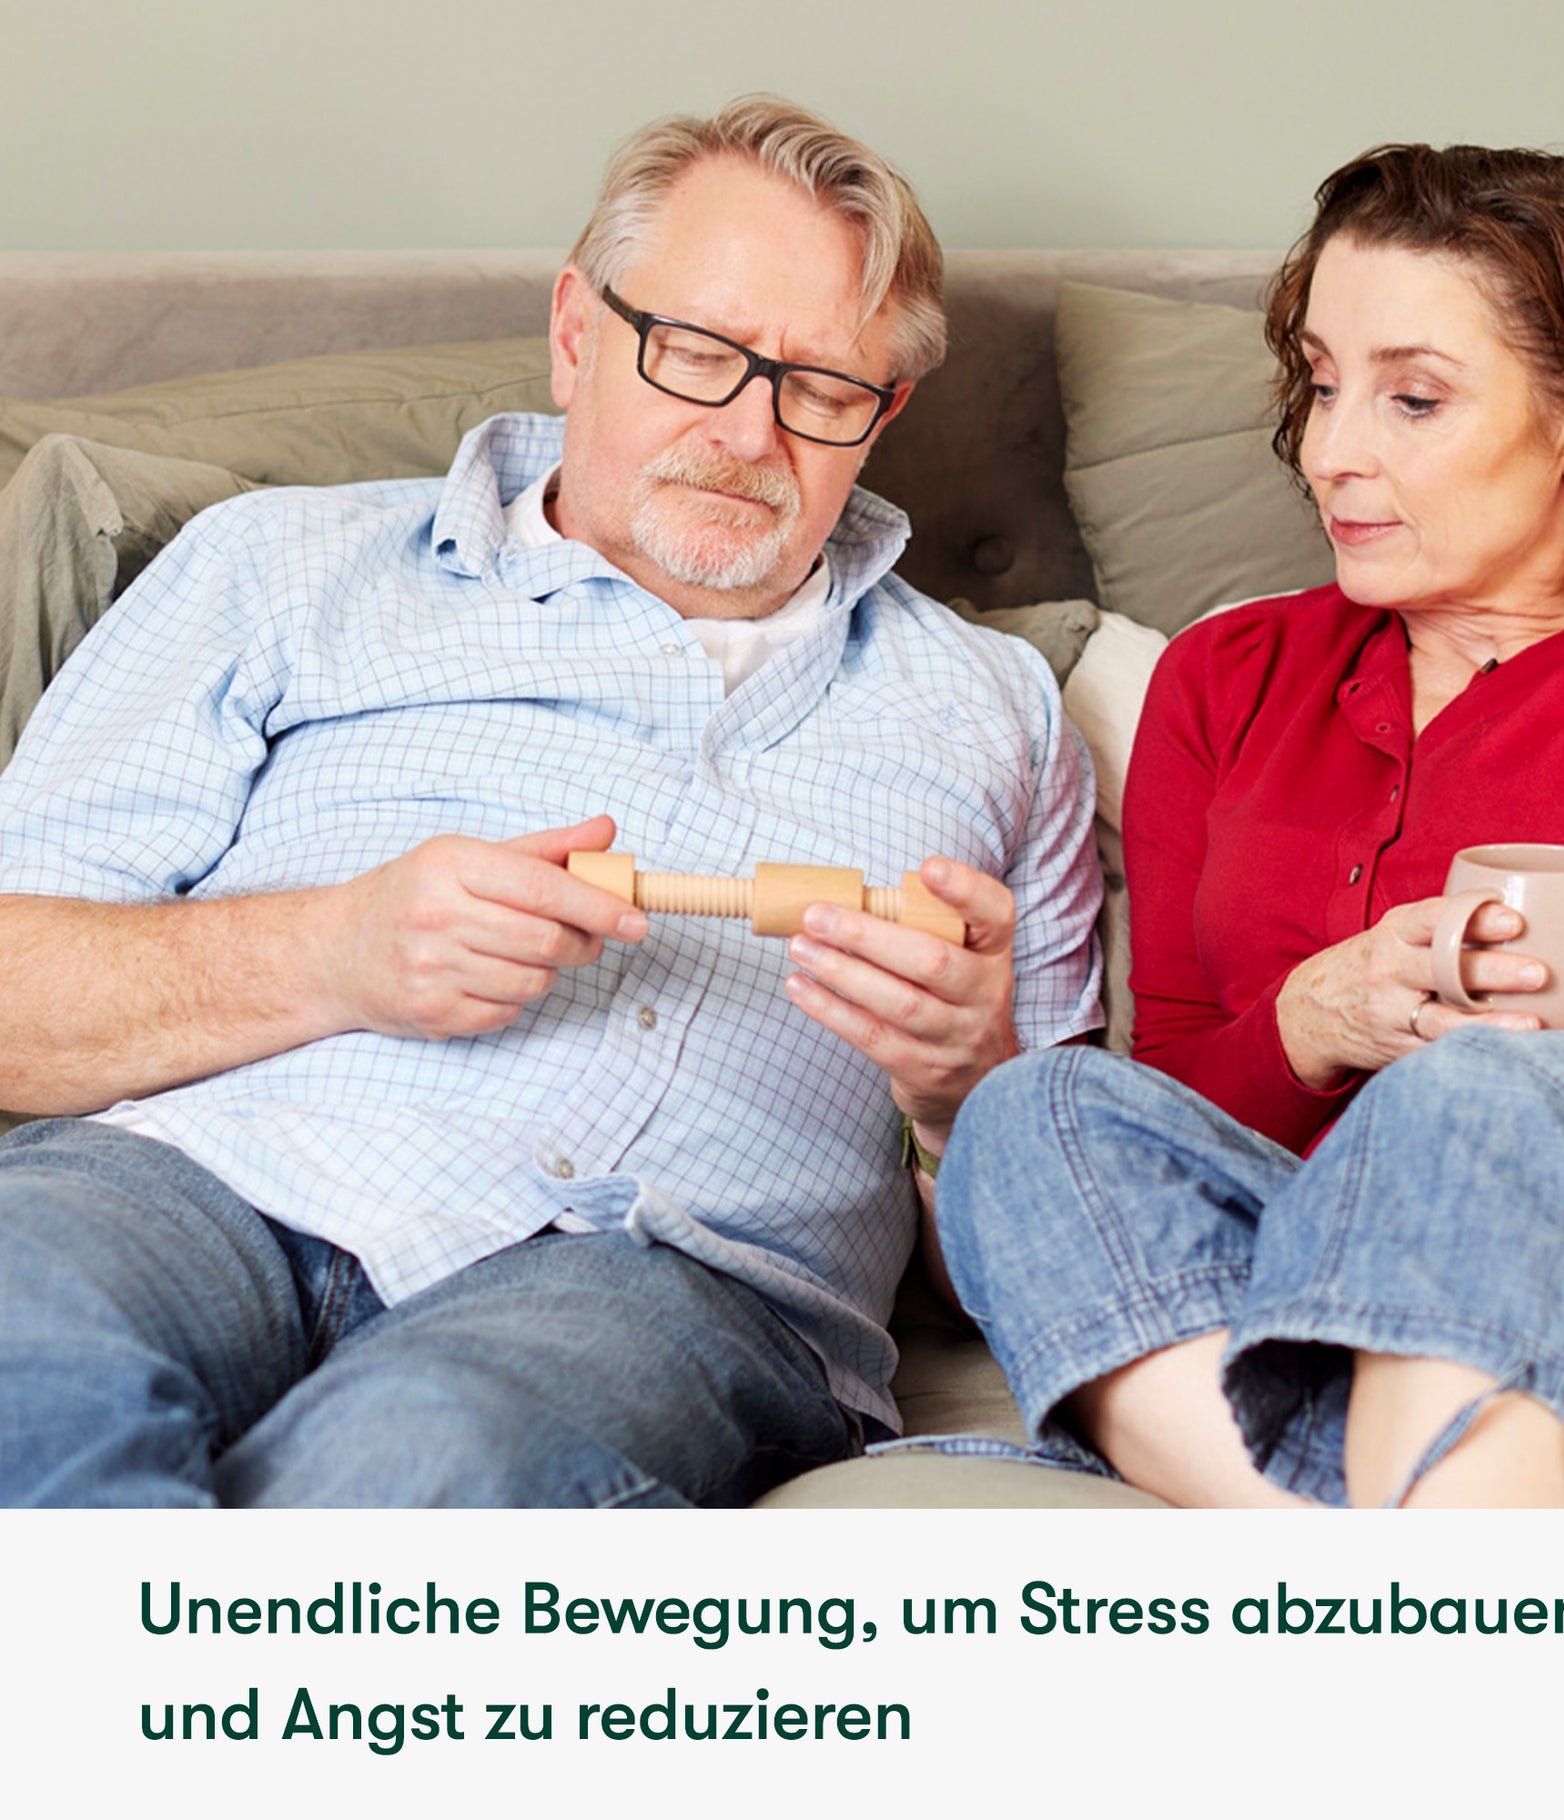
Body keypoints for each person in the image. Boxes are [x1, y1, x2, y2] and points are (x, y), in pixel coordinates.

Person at [0, 97, 1102, 1508]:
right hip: (194, 1185)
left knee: (422, 1465)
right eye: (700, 351)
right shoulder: (274, 567)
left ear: (882, 414)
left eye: (822, 389)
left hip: (659, 1285)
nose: (749, 432)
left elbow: (1049, 1261)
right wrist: (330, 953)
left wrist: (963, 1096)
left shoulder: (1001, 711)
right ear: (579, 332)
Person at [937, 142, 1564, 1510]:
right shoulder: (1225, 682)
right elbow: (1174, 1087)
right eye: (1321, 385)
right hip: (1331, 1245)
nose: (1328, 452)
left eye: (1411, 398)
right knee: (1028, 1112)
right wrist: (1317, 1021)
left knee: (1479, 1089)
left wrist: (1424, 1097)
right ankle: (1404, 1560)